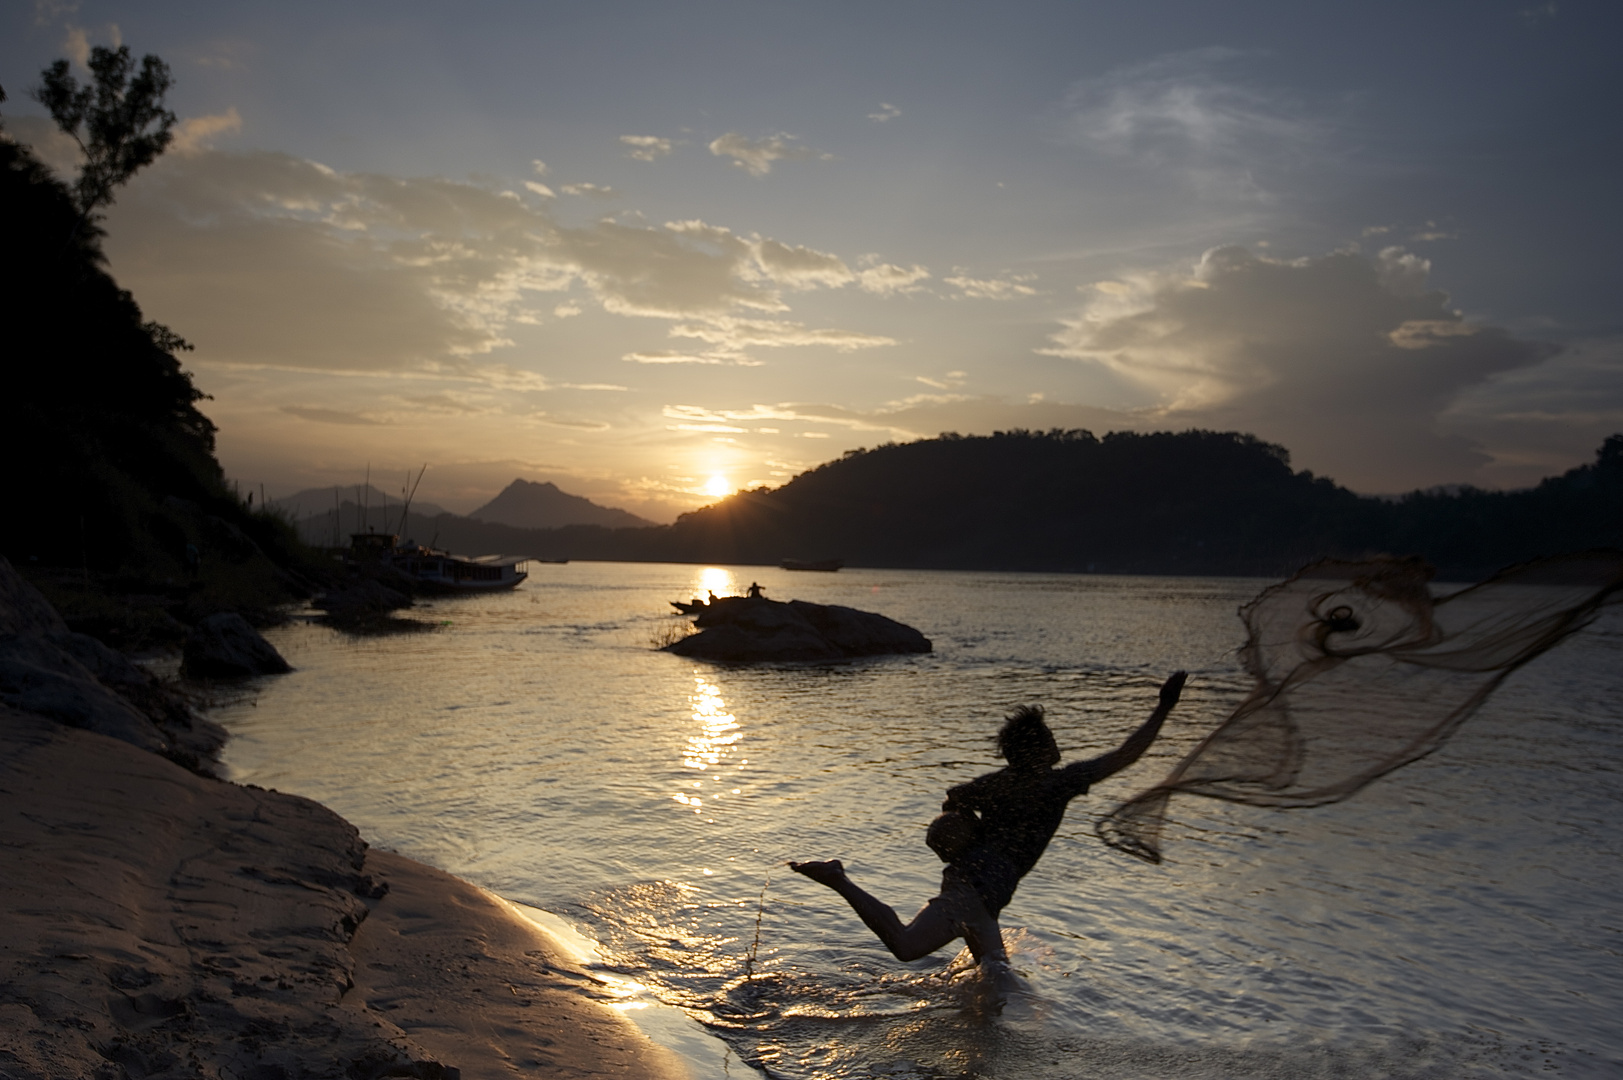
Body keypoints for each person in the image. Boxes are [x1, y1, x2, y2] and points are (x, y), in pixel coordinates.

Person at [791, 671, 1187, 966]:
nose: (1056, 743)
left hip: (982, 893)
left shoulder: (997, 783)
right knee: (907, 947)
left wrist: (961, 834)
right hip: (973, 893)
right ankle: (838, 878)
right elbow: (1126, 754)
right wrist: (1163, 707)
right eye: (1049, 738)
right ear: (1036, 750)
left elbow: (954, 798)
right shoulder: (1058, 784)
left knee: (997, 982)